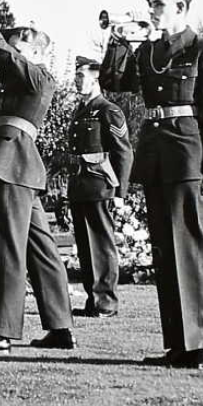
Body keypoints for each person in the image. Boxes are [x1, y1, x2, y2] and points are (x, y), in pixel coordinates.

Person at [100, 0, 203, 369]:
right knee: (164, 252)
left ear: (180, 8)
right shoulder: (150, 51)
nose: (152, 10)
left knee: (187, 249)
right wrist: (117, 41)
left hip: (187, 155)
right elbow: (114, 83)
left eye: (159, 4)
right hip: (156, 156)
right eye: (152, 4)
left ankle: (199, 345)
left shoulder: (202, 49)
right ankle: (177, 345)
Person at [0, 0, 74, 355]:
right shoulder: (14, 81)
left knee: (6, 247)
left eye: (18, 47)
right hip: (15, 166)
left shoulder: (38, 76)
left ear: (36, 53)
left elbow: (5, 54)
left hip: (13, 165)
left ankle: (1, 332)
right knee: (41, 249)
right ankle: (60, 327)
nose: (11, 51)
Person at [67, 55, 133, 319]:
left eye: (81, 75)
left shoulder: (108, 110)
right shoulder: (80, 111)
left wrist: (120, 192)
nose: (76, 80)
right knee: (85, 246)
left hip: (100, 186)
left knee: (101, 246)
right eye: (76, 75)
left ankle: (106, 303)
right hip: (80, 186)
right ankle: (93, 300)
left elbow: (123, 152)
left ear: (96, 79)